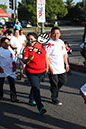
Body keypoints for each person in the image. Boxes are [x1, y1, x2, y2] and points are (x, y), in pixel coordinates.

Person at [23, 32, 48, 115]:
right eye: (28, 39)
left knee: (35, 86)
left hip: (42, 71)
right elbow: (24, 60)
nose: (30, 41)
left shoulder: (42, 47)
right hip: (31, 72)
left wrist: (47, 67)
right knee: (36, 88)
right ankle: (40, 107)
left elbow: (45, 57)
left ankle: (31, 99)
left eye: (32, 39)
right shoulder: (26, 49)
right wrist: (29, 59)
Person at [46, 27, 69, 105]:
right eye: (54, 33)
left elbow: (64, 54)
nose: (56, 35)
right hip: (53, 67)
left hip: (61, 67)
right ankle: (54, 98)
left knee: (63, 81)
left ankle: (54, 90)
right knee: (54, 83)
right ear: (51, 34)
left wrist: (67, 64)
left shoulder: (61, 42)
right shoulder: (49, 43)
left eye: (57, 33)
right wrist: (49, 67)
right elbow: (46, 57)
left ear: (60, 34)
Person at [0, 37, 19, 102]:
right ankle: (0, 96)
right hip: (2, 69)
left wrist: (14, 66)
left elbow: (13, 59)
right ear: (1, 43)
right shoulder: (0, 50)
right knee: (0, 84)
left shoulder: (10, 50)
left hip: (10, 70)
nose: (7, 44)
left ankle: (13, 97)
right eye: (5, 43)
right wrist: (0, 68)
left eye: (8, 43)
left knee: (12, 84)